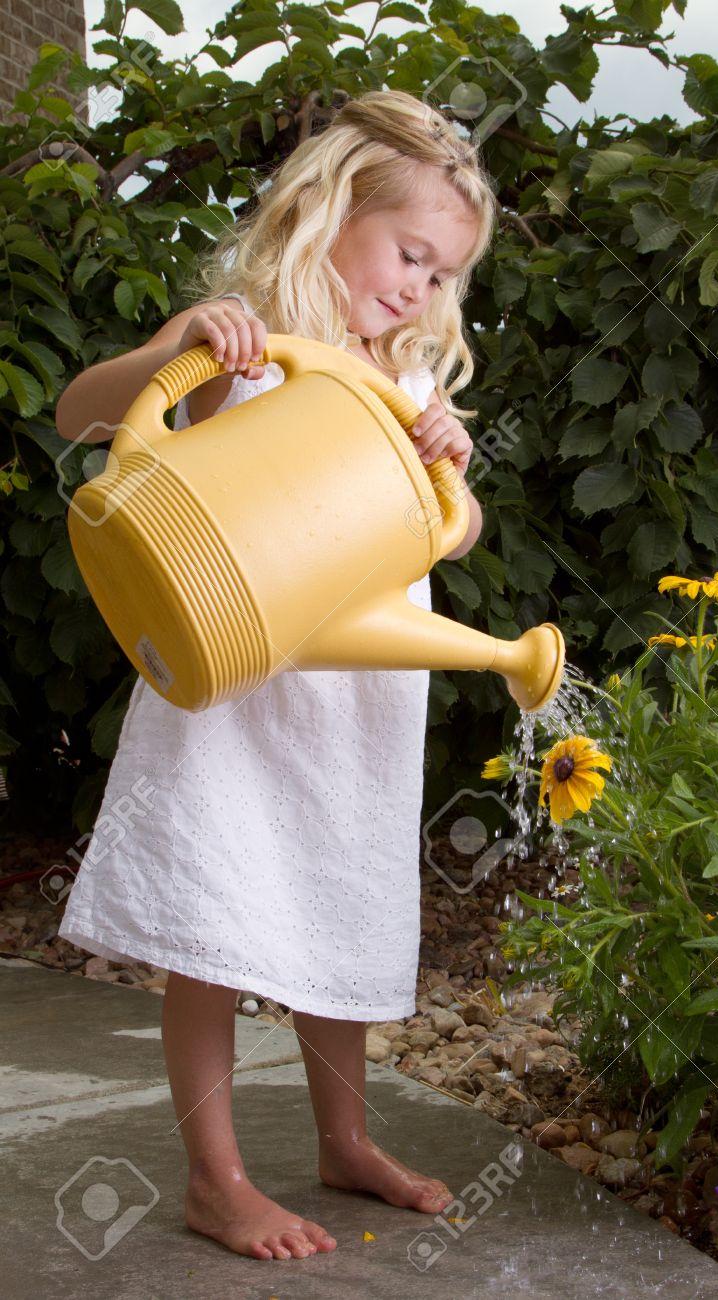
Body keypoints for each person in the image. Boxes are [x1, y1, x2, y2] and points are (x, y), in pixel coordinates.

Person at [53, 88, 498, 1263]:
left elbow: (454, 533)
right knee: (215, 913)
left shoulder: (404, 385)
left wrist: (448, 465)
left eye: (443, 275)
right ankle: (216, 1177)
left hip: (353, 697)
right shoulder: (246, 339)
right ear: (331, 212)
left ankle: (344, 1141)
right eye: (408, 254)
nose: (420, 289)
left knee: (337, 904)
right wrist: (176, 353)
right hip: (238, 675)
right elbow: (82, 412)